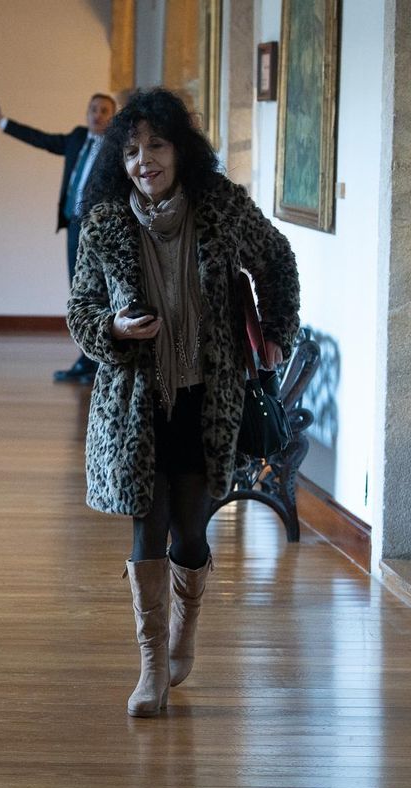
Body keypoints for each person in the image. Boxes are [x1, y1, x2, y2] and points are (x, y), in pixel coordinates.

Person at [66, 89, 299, 718]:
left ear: (180, 150)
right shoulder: (106, 221)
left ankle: (184, 629)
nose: (145, 161)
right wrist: (113, 330)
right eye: (133, 150)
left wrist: (277, 331)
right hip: (136, 399)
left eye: (157, 146)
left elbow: (276, 258)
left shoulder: (220, 207)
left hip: (208, 396)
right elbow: (81, 306)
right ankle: (150, 667)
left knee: (191, 529)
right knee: (150, 519)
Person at [0, 93, 116, 384]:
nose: (97, 115)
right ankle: (85, 358)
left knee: (98, 295)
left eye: (104, 111)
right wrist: (1, 121)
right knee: (79, 294)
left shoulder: (115, 149)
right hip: (74, 227)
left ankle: (98, 361)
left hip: (99, 231)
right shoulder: (77, 138)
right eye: (93, 109)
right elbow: (42, 140)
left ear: (112, 117)